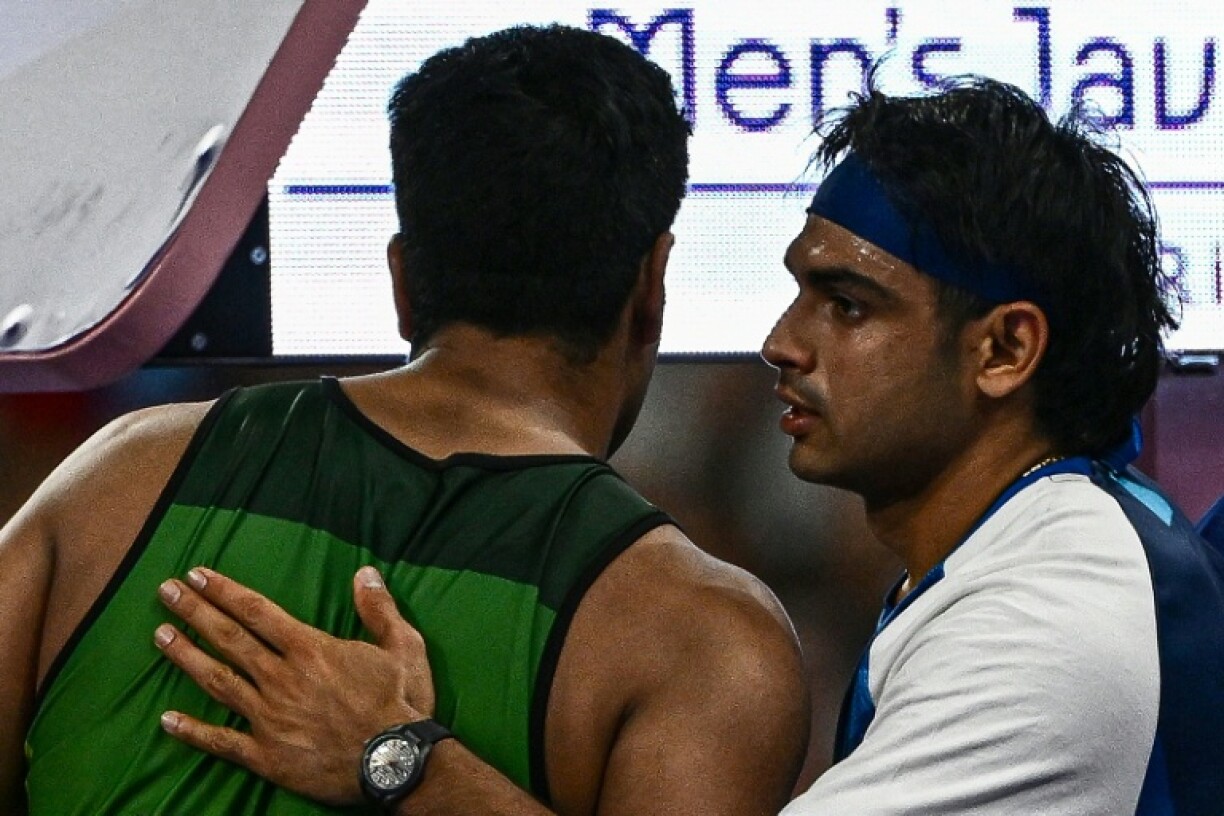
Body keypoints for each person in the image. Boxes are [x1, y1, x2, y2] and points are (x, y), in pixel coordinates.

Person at [154, 74, 1224, 815]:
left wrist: (397, 760)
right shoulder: (1057, 550)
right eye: (798, 291)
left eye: (847, 305)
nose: (780, 343)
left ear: (1005, 349)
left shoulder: (1048, 619)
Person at [0, 25, 810, 815]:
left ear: (402, 280)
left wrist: (399, 761)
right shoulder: (707, 647)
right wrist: (419, 772)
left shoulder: (119, 477)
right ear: (652, 288)